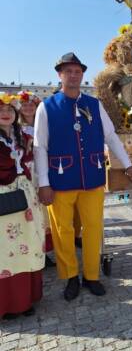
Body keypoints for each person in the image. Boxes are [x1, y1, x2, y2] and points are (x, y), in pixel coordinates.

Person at [33, 52, 132, 301]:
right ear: (60, 74)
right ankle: (70, 276)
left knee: (93, 228)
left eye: (77, 71)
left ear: (82, 75)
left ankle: (91, 275)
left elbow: (111, 137)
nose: (73, 75)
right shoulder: (46, 107)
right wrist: (44, 184)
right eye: (68, 71)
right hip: (60, 181)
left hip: (92, 178)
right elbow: (40, 147)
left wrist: (128, 164)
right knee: (63, 230)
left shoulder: (94, 104)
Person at [0, 92, 46, 319]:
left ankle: (25, 300)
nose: (5, 114)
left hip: (26, 197)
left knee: (29, 244)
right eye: (0, 111)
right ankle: (8, 304)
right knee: (5, 253)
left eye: (9, 110)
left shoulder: (21, 135)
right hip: (3, 199)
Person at [18, 90, 56, 268]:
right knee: (30, 212)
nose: (27, 108)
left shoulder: (45, 124)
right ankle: (32, 250)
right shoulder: (15, 128)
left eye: (31, 105)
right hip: (27, 173)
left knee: (45, 212)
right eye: (24, 105)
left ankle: (46, 250)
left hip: (44, 170)